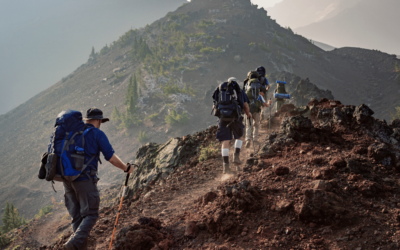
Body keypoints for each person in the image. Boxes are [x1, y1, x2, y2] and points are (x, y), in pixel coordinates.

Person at [63, 108, 134, 250]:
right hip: (85, 180)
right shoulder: (97, 134)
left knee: (77, 218)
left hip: (67, 180)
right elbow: (111, 158)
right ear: (99, 120)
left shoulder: (72, 132)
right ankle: (73, 243)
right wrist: (126, 168)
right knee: (91, 215)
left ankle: (77, 246)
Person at [212, 77, 251, 173]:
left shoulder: (220, 90)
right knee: (239, 137)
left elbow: (214, 105)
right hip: (235, 118)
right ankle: (236, 156)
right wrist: (248, 114)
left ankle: (226, 167)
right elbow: (245, 105)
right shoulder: (239, 91)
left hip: (222, 118)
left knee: (225, 142)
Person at [244, 71, 272, 148]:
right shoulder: (259, 96)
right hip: (256, 111)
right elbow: (266, 105)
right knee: (256, 125)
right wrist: (269, 103)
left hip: (248, 111)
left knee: (248, 126)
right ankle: (255, 139)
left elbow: (243, 102)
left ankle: (248, 140)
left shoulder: (246, 93)